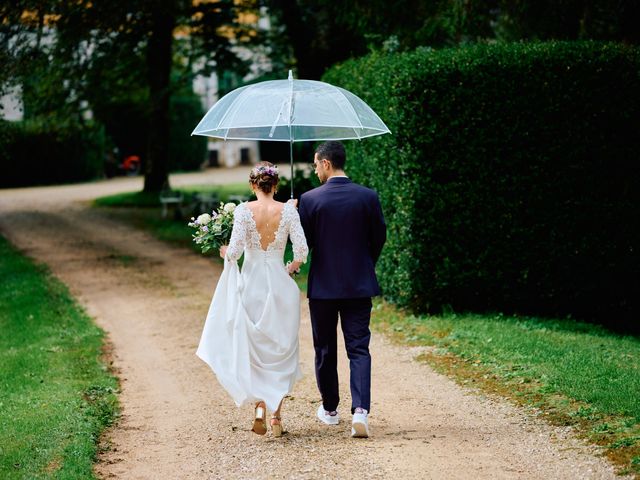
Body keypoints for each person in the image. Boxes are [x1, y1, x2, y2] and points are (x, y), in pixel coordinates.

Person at [196, 162, 308, 437]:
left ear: (253, 185)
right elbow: (302, 251)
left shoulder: (244, 212)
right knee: (279, 349)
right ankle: (277, 418)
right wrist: (289, 269)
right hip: (280, 285)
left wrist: (223, 250)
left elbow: (234, 252)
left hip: (253, 285)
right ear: (276, 185)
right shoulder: (289, 211)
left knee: (255, 349)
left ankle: (259, 406)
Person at [298, 141, 387, 438]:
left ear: (325, 163)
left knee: (324, 349)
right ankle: (360, 411)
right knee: (359, 348)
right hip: (359, 284)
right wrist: (364, 263)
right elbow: (378, 237)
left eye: (315, 164)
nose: (314, 170)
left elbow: (304, 244)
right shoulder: (368, 196)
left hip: (323, 288)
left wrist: (294, 213)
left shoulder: (310, 199)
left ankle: (331, 409)